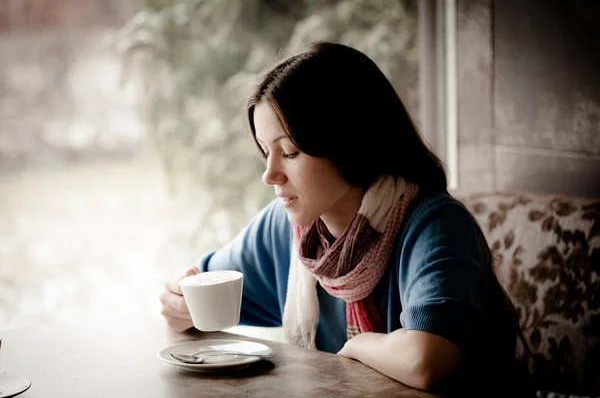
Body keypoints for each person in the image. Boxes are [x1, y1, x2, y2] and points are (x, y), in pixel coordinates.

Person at [160, 42, 531, 394]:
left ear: (347, 143)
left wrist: (358, 346)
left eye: (289, 152)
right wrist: (179, 301)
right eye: (264, 153)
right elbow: (197, 290)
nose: (270, 175)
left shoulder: (435, 225)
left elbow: (427, 360)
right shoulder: (286, 227)